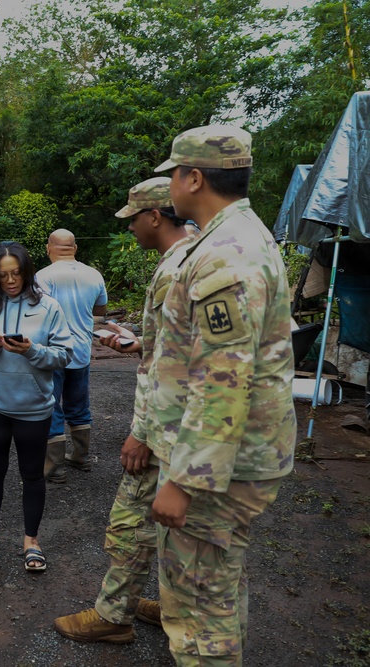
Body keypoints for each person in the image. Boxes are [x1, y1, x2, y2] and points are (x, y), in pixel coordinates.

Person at [154, 126, 295, 665]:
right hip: (236, 461)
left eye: (173, 171)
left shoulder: (225, 256)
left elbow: (223, 381)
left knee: (196, 606)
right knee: (218, 587)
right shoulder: (235, 238)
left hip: (219, 473)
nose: (169, 181)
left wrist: (184, 481)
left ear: (194, 178)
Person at [54, 176, 192, 643]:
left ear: (155, 216)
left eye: (133, 219)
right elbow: (177, 350)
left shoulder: (177, 270)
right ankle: (171, 609)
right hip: (185, 432)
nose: (130, 228)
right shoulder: (189, 258)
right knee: (181, 531)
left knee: (130, 522)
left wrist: (143, 434)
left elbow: (178, 371)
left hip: (167, 431)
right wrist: (138, 345)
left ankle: (114, 617)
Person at [0, 241, 74, 571]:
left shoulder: (49, 307)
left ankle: (31, 542)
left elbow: (65, 355)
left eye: (17, 273)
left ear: (26, 271)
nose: (11, 281)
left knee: (32, 475)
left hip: (34, 407)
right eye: (3, 275)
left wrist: (31, 350)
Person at [35, 229, 108, 483]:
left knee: (52, 405)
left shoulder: (43, 277)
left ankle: (55, 467)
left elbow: (39, 314)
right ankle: (82, 456)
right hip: (81, 351)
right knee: (79, 405)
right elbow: (100, 308)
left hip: (53, 352)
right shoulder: (94, 274)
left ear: (48, 248)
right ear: (74, 248)